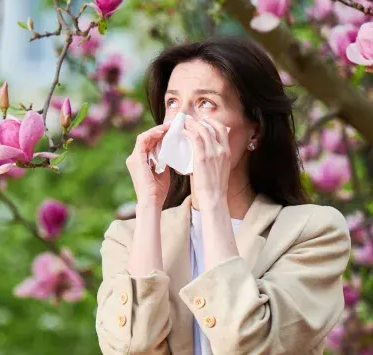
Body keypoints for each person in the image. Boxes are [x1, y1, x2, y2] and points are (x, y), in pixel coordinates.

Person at [95, 37, 351, 355]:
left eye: (206, 103)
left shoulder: (312, 231)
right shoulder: (128, 237)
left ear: (254, 131)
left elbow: (253, 345)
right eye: (172, 103)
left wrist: (213, 200)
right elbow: (130, 348)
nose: (181, 122)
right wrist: (148, 203)